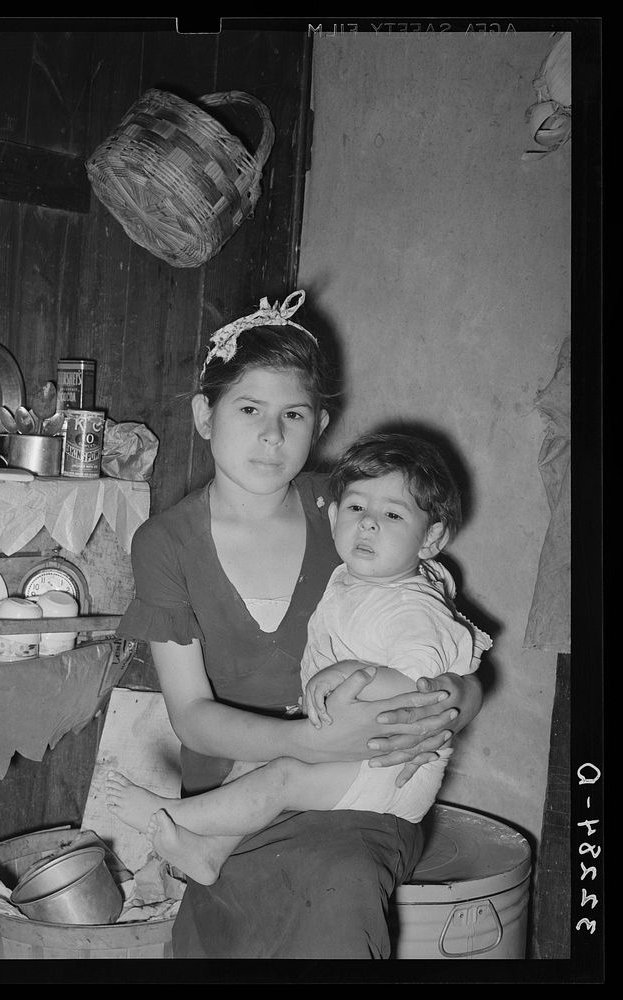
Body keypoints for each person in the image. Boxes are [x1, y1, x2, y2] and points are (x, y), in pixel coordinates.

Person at [112, 291, 484, 959]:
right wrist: (307, 742)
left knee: (337, 890)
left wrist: (450, 703)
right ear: (205, 414)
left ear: (320, 424)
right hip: (231, 796)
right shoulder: (165, 544)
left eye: (293, 415)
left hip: (361, 798)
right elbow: (193, 715)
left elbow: (444, 643)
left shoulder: (345, 510)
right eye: (249, 410)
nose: (271, 435)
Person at [107, 432, 492, 874]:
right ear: (333, 514)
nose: (367, 523)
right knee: (254, 761)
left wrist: (353, 672)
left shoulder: (410, 605)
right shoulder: (358, 578)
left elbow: (420, 688)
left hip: (389, 768)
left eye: (391, 514)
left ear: (431, 539)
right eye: (355, 508)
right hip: (350, 745)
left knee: (281, 778)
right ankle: (209, 852)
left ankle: (168, 818)